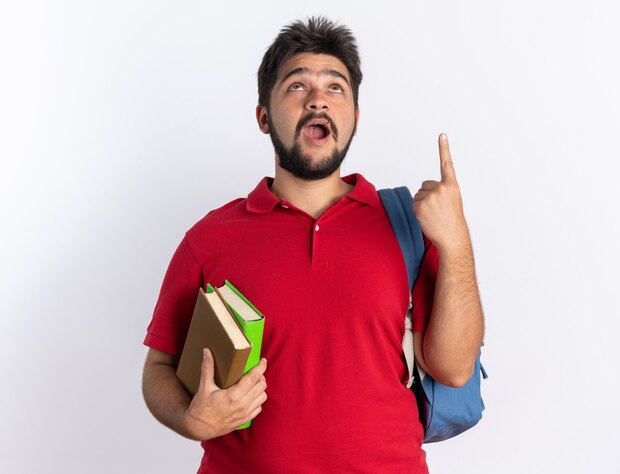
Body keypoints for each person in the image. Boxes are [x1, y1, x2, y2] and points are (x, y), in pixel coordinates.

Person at [142, 16, 484, 473]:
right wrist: (191, 419)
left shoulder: (410, 227)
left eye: (336, 88)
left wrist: (457, 240)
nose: (318, 99)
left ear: (355, 119)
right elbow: (158, 368)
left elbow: (454, 368)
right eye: (297, 86)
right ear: (264, 116)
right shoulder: (209, 239)